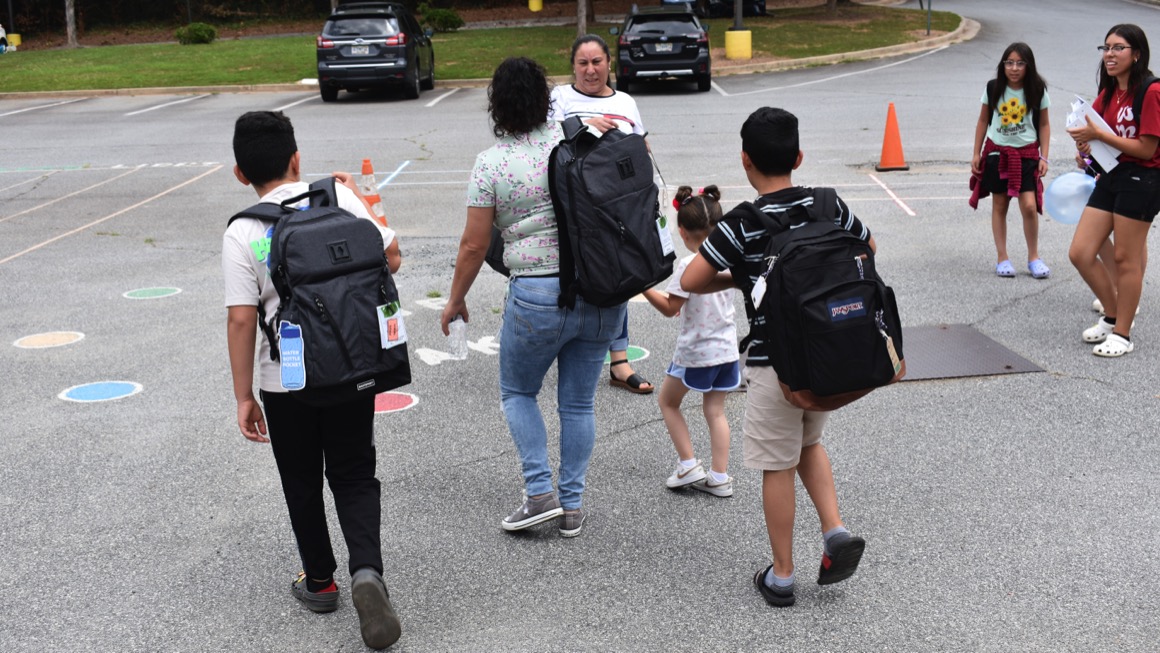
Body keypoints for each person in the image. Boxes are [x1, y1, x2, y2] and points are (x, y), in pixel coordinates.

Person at [223, 111, 402, 650]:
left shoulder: (243, 229)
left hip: (287, 380)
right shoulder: (337, 198)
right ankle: (367, 572)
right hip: (351, 365)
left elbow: (240, 317)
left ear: (239, 173)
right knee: (353, 471)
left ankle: (320, 581)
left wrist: (243, 396)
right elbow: (390, 257)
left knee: (301, 479)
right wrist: (362, 200)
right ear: (297, 158)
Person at [680, 107, 873, 607]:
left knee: (776, 465)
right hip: (827, 356)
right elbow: (868, 245)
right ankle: (833, 531)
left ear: (745, 161)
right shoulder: (829, 204)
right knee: (808, 444)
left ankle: (782, 576)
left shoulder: (741, 223)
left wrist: (741, 274)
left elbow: (691, 281)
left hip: (776, 365)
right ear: (799, 156)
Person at [441, 57, 624, 538]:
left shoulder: (492, 164)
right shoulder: (580, 140)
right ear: (546, 99)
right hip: (602, 290)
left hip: (537, 293)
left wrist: (455, 299)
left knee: (519, 392)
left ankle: (539, 492)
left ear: (496, 106)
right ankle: (572, 505)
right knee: (579, 404)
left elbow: (475, 246)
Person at [549, 33, 654, 394]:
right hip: (574, 205)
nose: (590, 70)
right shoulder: (560, 98)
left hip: (618, 205)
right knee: (577, 274)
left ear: (609, 63)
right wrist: (586, 129)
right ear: (573, 67)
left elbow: (642, 148)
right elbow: (549, 143)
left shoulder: (625, 101)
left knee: (621, 272)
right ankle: (570, 344)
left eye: (597, 62)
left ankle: (620, 362)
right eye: (583, 63)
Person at [1068, 23, 1160, 357]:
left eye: (1118, 48)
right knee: (1080, 251)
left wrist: (1100, 138)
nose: (1109, 54)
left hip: (1142, 179)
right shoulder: (1108, 94)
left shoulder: (1151, 91)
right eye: (1106, 47)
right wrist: (1085, 152)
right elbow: (1099, 136)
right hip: (1110, 176)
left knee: (1125, 257)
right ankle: (1112, 314)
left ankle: (1122, 332)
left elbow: (1147, 149)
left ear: (1136, 54)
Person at [641, 185, 739, 497]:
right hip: (728, 352)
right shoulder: (730, 262)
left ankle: (687, 464)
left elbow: (671, 308)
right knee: (716, 411)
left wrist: (643, 287)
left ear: (682, 232)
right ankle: (719, 476)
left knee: (668, 402)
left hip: (695, 353)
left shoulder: (687, 267)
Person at [969, 42, 1051, 279]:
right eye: (1009, 63)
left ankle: (1034, 257)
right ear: (1003, 65)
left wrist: (1044, 155)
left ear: (1028, 66)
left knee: (1029, 205)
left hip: (1027, 156)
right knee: (1000, 205)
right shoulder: (993, 87)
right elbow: (983, 121)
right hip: (997, 154)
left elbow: (1044, 125)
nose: (1014, 68)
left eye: (1020, 63)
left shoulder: (1037, 90)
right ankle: (1002, 258)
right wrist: (976, 152)